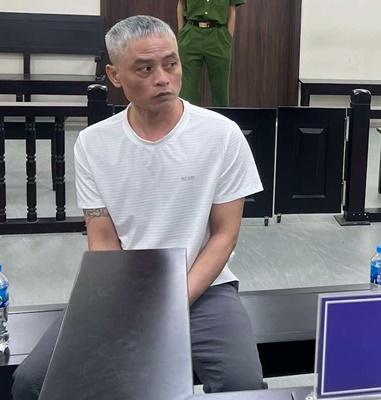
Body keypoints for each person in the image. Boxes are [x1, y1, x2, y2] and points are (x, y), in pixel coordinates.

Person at [12, 15, 265, 399]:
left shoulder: (221, 135)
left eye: (171, 64)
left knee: (241, 386)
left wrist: (171, 303)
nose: (163, 79)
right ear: (115, 75)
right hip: (121, 288)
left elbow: (224, 236)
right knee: (32, 382)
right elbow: (102, 240)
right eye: (145, 69)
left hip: (203, 286)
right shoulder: (94, 144)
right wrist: (127, 303)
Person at [177, 0, 244, 106]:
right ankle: (188, 116)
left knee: (221, 90)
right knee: (187, 90)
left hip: (218, 36)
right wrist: (181, 32)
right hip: (191, 34)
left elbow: (231, 9)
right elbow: (181, 3)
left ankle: (221, 117)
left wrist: (228, 38)